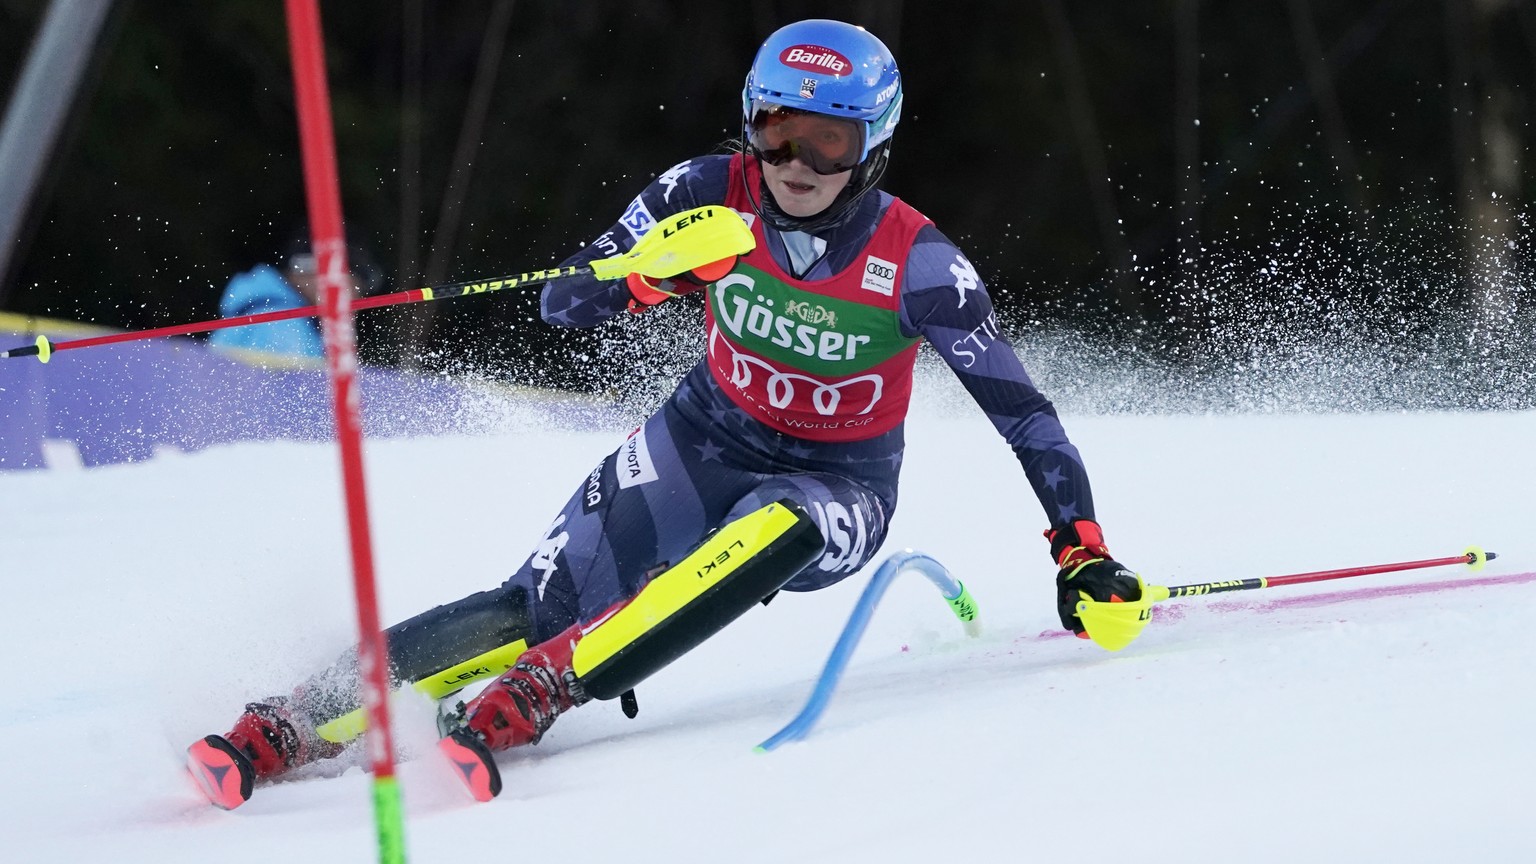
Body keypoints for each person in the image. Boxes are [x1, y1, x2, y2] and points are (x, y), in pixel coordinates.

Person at [187, 18, 1141, 808]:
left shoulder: (919, 263)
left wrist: (1081, 547)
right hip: (703, 436)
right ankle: (284, 726)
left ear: (873, 149)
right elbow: (562, 299)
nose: (796, 163)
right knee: (533, 602)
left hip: (838, 484)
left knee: (779, 525)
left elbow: (1025, 413)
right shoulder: (703, 192)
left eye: (829, 141)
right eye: (775, 131)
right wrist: (652, 280)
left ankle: (542, 692)